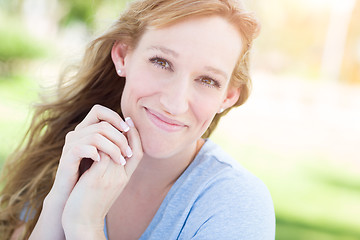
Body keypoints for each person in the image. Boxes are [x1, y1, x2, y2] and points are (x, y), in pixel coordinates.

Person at [0, 0, 275, 239]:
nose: (175, 103)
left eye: (207, 80)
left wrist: (85, 227)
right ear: (123, 56)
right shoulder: (73, 153)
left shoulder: (235, 203)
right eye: (162, 62)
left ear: (227, 97)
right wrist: (58, 200)